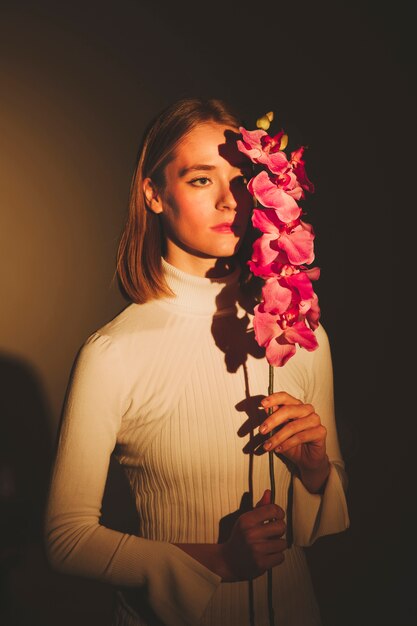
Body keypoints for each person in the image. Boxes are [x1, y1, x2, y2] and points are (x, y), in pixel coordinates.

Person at [44, 97, 350, 626]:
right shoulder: (114, 353)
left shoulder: (300, 329)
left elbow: (320, 519)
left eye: (241, 179)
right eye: (202, 179)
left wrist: (316, 470)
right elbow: (66, 538)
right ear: (154, 194)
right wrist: (218, 563)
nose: (231, 201)